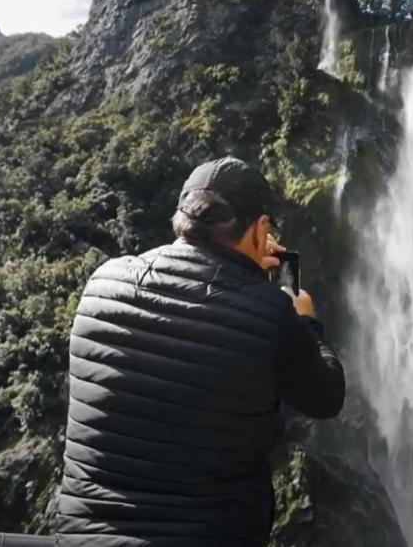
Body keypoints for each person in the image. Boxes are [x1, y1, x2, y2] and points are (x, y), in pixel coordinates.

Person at [55, 157, 345, 547]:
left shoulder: (102, 283)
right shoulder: (269, 312)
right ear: (261, 229)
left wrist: (245, 277)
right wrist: (303, 319)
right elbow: (326, 397)